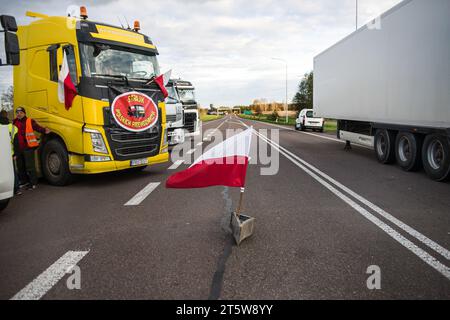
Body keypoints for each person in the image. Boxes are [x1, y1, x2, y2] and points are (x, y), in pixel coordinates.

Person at [12, 107, 50, 190]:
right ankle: (23, 181)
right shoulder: (14, 122)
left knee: (30, 166)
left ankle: (33, 183)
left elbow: (37, 127)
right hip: (18, 148)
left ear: (24, 113)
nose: (19, 114)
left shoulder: (29, 121)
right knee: (20, 166)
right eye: (17, 112)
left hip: (28, 147)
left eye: (21, 112)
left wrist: (44, 130)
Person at [0, 110, 21, 195]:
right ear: (7, 116)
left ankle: (3, 190)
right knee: (12, 172)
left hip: (1, 153)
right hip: (10, 154)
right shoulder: (13, 127)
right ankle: (17, 189)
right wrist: (16, 154)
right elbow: (16, 143)